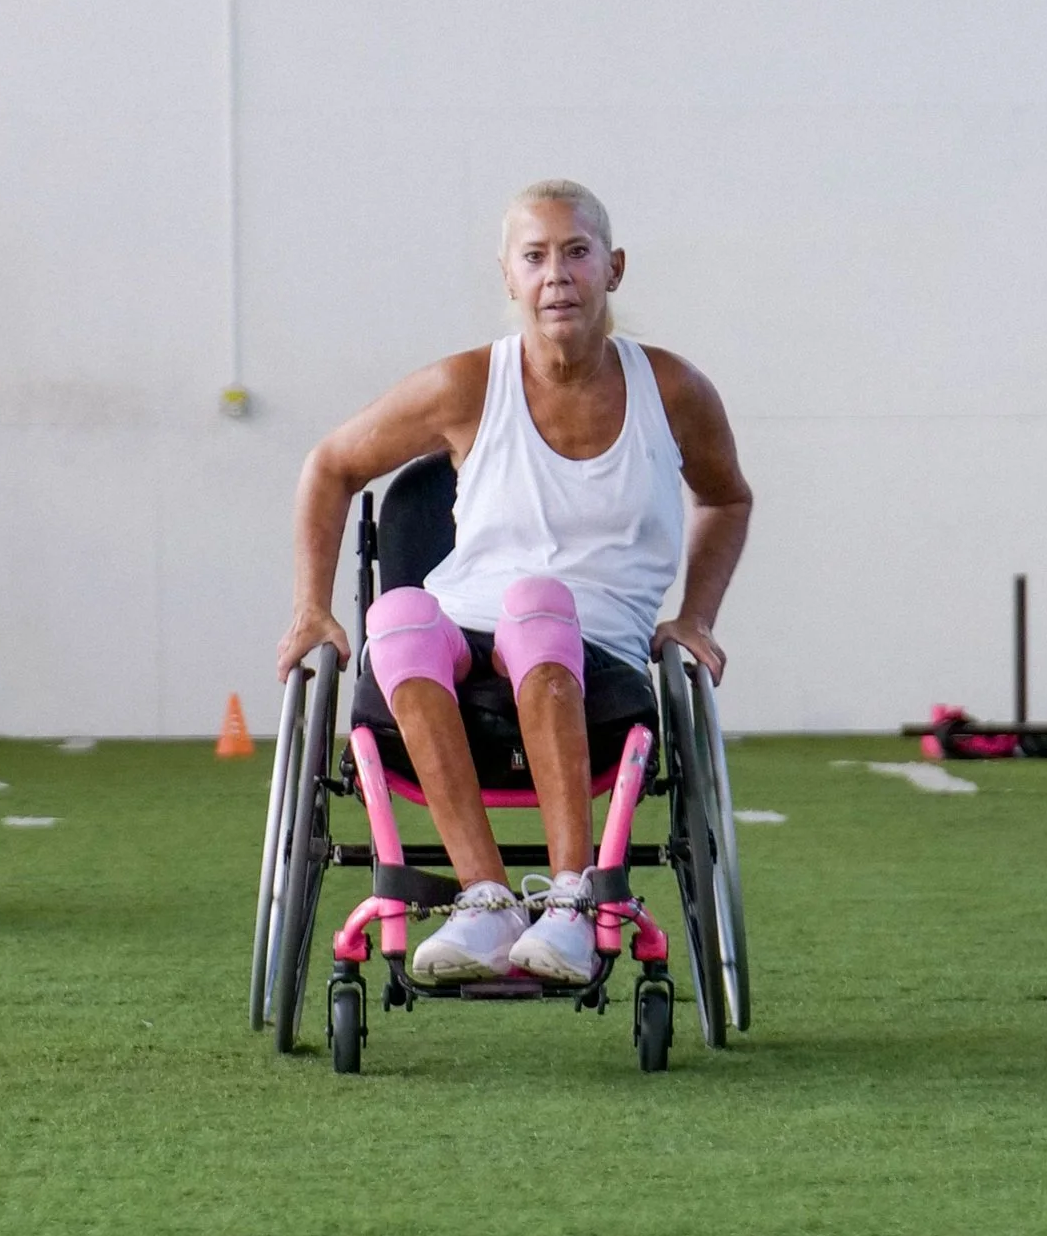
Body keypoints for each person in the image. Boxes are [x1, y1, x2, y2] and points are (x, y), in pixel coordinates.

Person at [278, 184, 750, 990]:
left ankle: (571, 901)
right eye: (535, 257)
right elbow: (331, 464)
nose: (556, 275)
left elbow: (728, 496)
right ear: (509, 277)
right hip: (465, 630)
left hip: (594, 649)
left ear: (614, 267)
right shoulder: (467, 385)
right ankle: (488, 899)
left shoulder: (672, 392)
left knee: (537, 602)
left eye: (576, 252)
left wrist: (695, 615)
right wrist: (311, 607)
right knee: (397, 612)